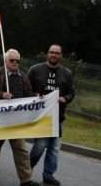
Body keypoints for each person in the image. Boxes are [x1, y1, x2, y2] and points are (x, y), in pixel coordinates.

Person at [0, 49, 39, 186]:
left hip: (17, 120)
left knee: (21, 149)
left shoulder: (23, 77)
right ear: (5, 60)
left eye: (17, 61)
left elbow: (28, 94)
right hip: (0, 118)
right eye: (12, 60)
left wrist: (36, 97)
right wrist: (1, 94)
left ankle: (26, 179)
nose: (15, 63)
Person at [28, 44, 75, 186]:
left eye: (57, 53)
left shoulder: (67, 73)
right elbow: (26, 88)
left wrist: (65, 99)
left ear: (61, 56)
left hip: (58, 117)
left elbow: (71, 92)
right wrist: (34, 96)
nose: (54, 55)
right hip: (41, 116)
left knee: (54, 148)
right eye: (51, 52)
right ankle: (26, 171)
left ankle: (48, 175)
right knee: (40, 146)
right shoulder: (35, 70)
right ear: (47, 54)